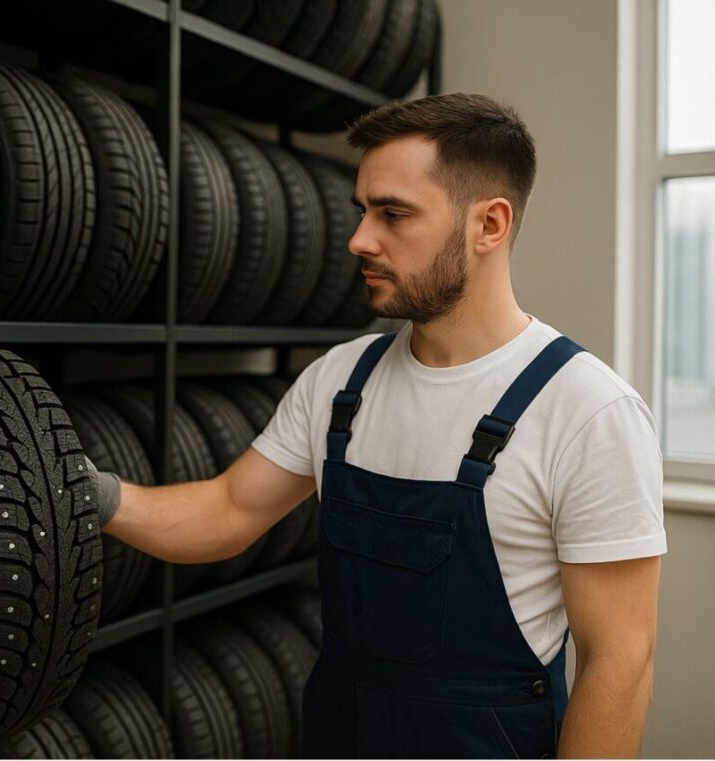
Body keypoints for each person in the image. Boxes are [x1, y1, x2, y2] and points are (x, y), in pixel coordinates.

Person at [86, 92, 665, 759]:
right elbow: (228, 508)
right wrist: (100, 497)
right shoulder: (340, 381)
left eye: (393, 214)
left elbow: (619, 664)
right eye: (363, 211)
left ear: (489, 225)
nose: (360, 238)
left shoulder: (588, 411)